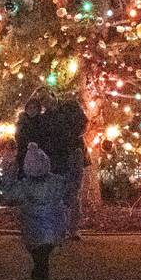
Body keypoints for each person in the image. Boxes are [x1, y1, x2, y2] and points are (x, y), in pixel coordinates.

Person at [3, 141, 67, 280]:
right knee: (41, 262)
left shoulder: (24, 186)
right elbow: (70, 187)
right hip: (53, 230)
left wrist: (9, 169)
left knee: (40, 264)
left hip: (35, 232)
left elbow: (8, 194)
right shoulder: (56, 181)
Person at [17, 91, 89, 240]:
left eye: (45, 98)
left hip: (72, 153)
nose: (45, 102)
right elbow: (35, 133)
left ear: (52, 95)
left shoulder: (69, 106)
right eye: (42, 100)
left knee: (74, 190)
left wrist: (72, 138)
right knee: (59, 191)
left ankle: (73, 229)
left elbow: (82, 123)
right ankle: (61, 228)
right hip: (56, 158)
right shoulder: (45, 119)